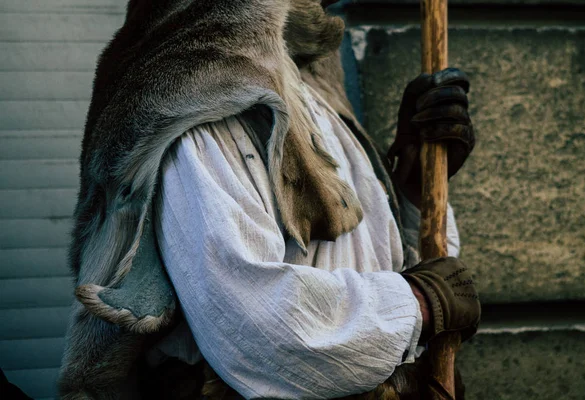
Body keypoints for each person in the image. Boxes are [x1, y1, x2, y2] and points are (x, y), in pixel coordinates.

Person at [58, 1, 480, 399]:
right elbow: (257, 330)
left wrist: (410, 185)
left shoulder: (305, 82)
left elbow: (376, 258)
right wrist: (421, 302)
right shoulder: (203, 90)